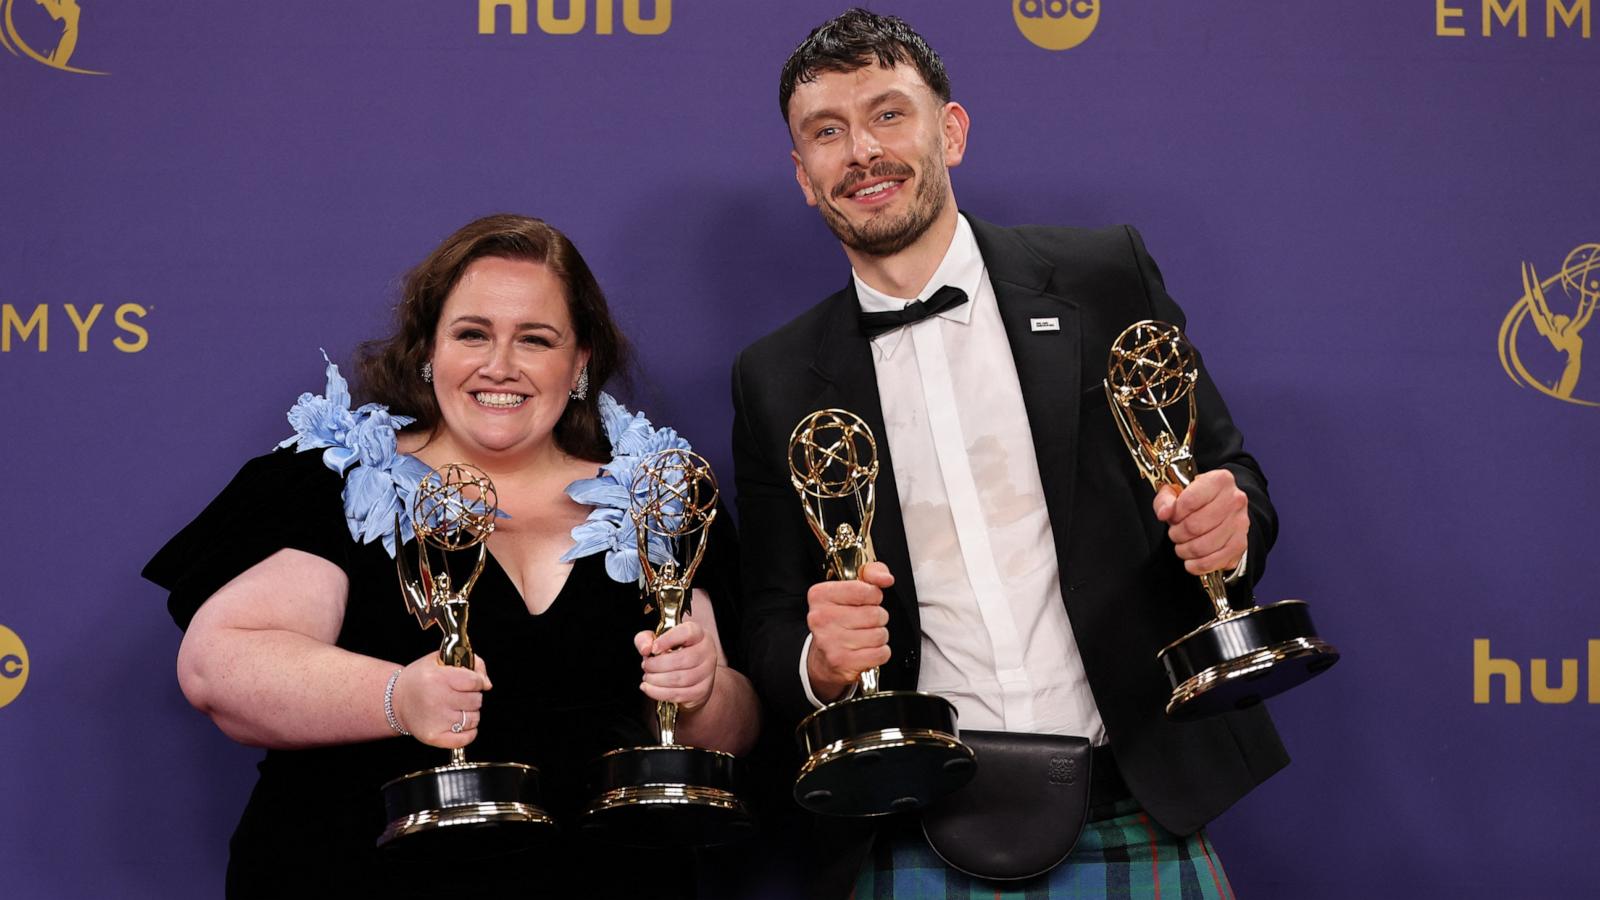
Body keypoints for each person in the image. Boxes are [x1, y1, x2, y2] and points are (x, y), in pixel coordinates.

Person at [731, 10, 1286, 899]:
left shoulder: (1105, 274)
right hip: (915, 819)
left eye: (887, 114)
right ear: (804, 177)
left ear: (950, 130)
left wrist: (1230, 530)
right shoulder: (772, 378)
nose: (861, 151)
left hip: (1137, 798)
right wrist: (819, 662)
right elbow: (768, 620)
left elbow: (1233, 480)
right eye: (826, 133)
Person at [144, 214, 758, 898]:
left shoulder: (662, 494)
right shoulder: (331, 479)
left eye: (536, 339)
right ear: (428, 351)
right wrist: (396, 699)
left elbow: (728, 732)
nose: (500, 366)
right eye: (473, 334)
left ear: (580, 362)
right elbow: (219, 666)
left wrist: (701, 692)